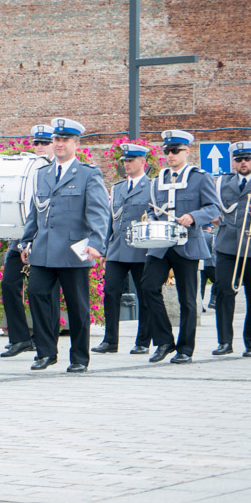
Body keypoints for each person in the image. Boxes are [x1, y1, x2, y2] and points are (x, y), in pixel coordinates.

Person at [20, 118, 109, 373]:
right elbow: (35, 211)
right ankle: (46, 352)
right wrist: (27, 240)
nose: (59, 144)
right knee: (37, 295)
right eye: (56, 139)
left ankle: (79, 357)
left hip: (73, 251)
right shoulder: (43, 174)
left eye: (65, 140)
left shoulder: (88, 173)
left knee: (77, 305)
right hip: (44, 249)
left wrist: (96, 243)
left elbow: (99, 212)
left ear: (76, 144)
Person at [142, 130, 221, 364]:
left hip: (187, 244)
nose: (170, 155)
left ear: (187, 151)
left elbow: (214, 207)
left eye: (175, 150)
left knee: (187, 299)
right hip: (160, 244)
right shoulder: (158, 179)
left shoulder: (200, 177)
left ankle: (185, 349)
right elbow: (152, 209)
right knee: (148, 287)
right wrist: (152, 220)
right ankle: (165, 341)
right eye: (167, 151)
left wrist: (194, 216)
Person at [0, 124, 56, 359]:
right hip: (21, 240)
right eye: (37, 143)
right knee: (9, 284)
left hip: (48, 242)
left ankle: (45, 340)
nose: (40, 147)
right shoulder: (29, 169)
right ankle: (20, 338)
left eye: (45, 142)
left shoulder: (56, 171)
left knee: (46, 293)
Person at [94, 143, 152, 355]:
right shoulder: (118, 187)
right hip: (117, 248)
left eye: (131, 160)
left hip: (141, 249)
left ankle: (143, 341)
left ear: (142, 162)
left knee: (144, 296)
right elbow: (111, 220)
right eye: (125, 161)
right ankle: (110, 340)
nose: (126, 164)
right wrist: (104, 250)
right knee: (110, 292)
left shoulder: (151, 186)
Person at [211, 141, 251, 357]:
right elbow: (213, 209)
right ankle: (224, 341)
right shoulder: (222, 182)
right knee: (224, 292)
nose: (243, 162)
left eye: (247, 158)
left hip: (250, 246)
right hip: (227, 246)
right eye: (239, 159)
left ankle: (250, 343)